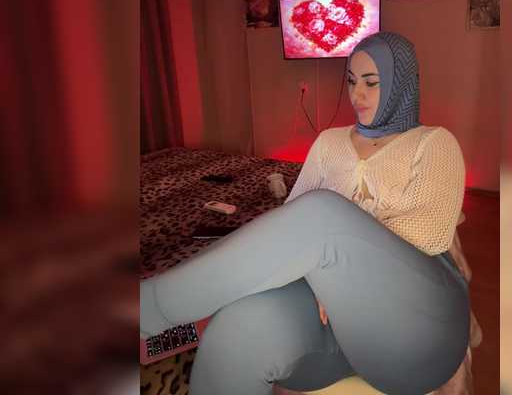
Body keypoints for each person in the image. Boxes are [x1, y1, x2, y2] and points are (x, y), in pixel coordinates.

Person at [140, 32, 470, 395]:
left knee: (322, 213)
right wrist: (319, 269)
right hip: (339, 336)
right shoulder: (329, 141)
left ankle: (146, 310)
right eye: (351, 81)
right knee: (233, 332)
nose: (357, 94)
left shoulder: (433, 142)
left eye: (371, 83)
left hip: (419, 327)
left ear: (400, 83)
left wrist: (333, 268)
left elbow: (428, 233)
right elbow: (294, 223)